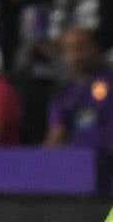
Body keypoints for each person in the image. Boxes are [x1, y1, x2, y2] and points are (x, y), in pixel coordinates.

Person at [45, 26, 113, 155]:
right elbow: (56, 135)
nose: (76, 55)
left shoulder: (110, 84)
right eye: (68, 49)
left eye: (81, 47)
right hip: (78, 165)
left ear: (96, 48)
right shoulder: (63, 95)